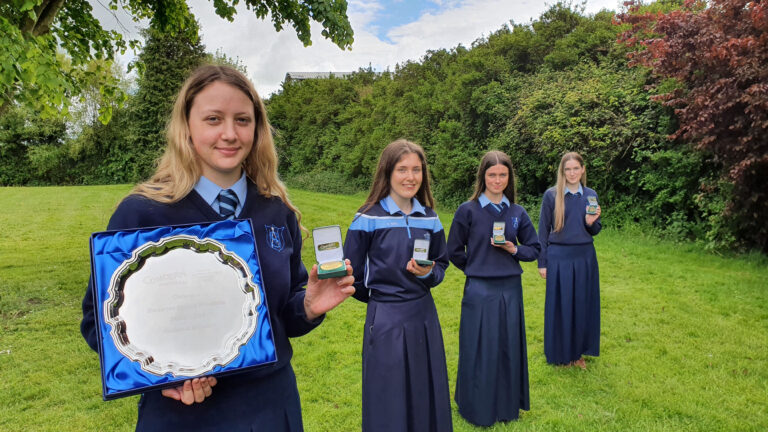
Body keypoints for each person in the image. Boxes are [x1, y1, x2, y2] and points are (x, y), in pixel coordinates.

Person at [80, 64, 356, 431]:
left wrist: (306, 306)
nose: (229, 133)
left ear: (256, 129)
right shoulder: (142, 212)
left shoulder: (276, 210)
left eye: (242, 120)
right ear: (187, 127)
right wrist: (166, 377)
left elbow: (281, 315)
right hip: (184, 416)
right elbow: (98, 322)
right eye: (213, 119)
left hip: (270, 407)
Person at [343, 139, 453, 432]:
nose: (410, 177)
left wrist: (426, 275)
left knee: (425, 389)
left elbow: (441, 264)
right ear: (388, 172)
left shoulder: (430, 217)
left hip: (424, 316)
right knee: (388, 395)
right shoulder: (367, 217)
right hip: (386, 318)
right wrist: (381, 299)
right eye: (402, 169)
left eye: (416, 169)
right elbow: (350, 273)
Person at [446, 150, 540, 426]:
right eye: (492, 175)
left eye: (502, 175)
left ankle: (507, 406)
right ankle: (476, 407)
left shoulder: (517, 212)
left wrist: (514, 249)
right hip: (479, 289)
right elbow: (454, 251)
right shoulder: (468, 210)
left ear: (509, 178)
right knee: (478, 348)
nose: (497, 180)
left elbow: (534, 249)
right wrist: (476, 268)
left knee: (507, 347)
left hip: (510, 289)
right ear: (482, 176)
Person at [537, 151, 602, 369]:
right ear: (562, 172)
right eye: (568, 169)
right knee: (561, 306)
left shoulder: (590, 194)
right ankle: (561, 354)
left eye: (576, 168)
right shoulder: (551, 195)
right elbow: (543, 232)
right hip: (559, 258)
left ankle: (578, 354)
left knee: (582, 306)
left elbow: (595, 230)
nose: (572, 173)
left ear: (583, 169)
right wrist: (542, 262)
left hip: (584, 258)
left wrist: (591, 222)